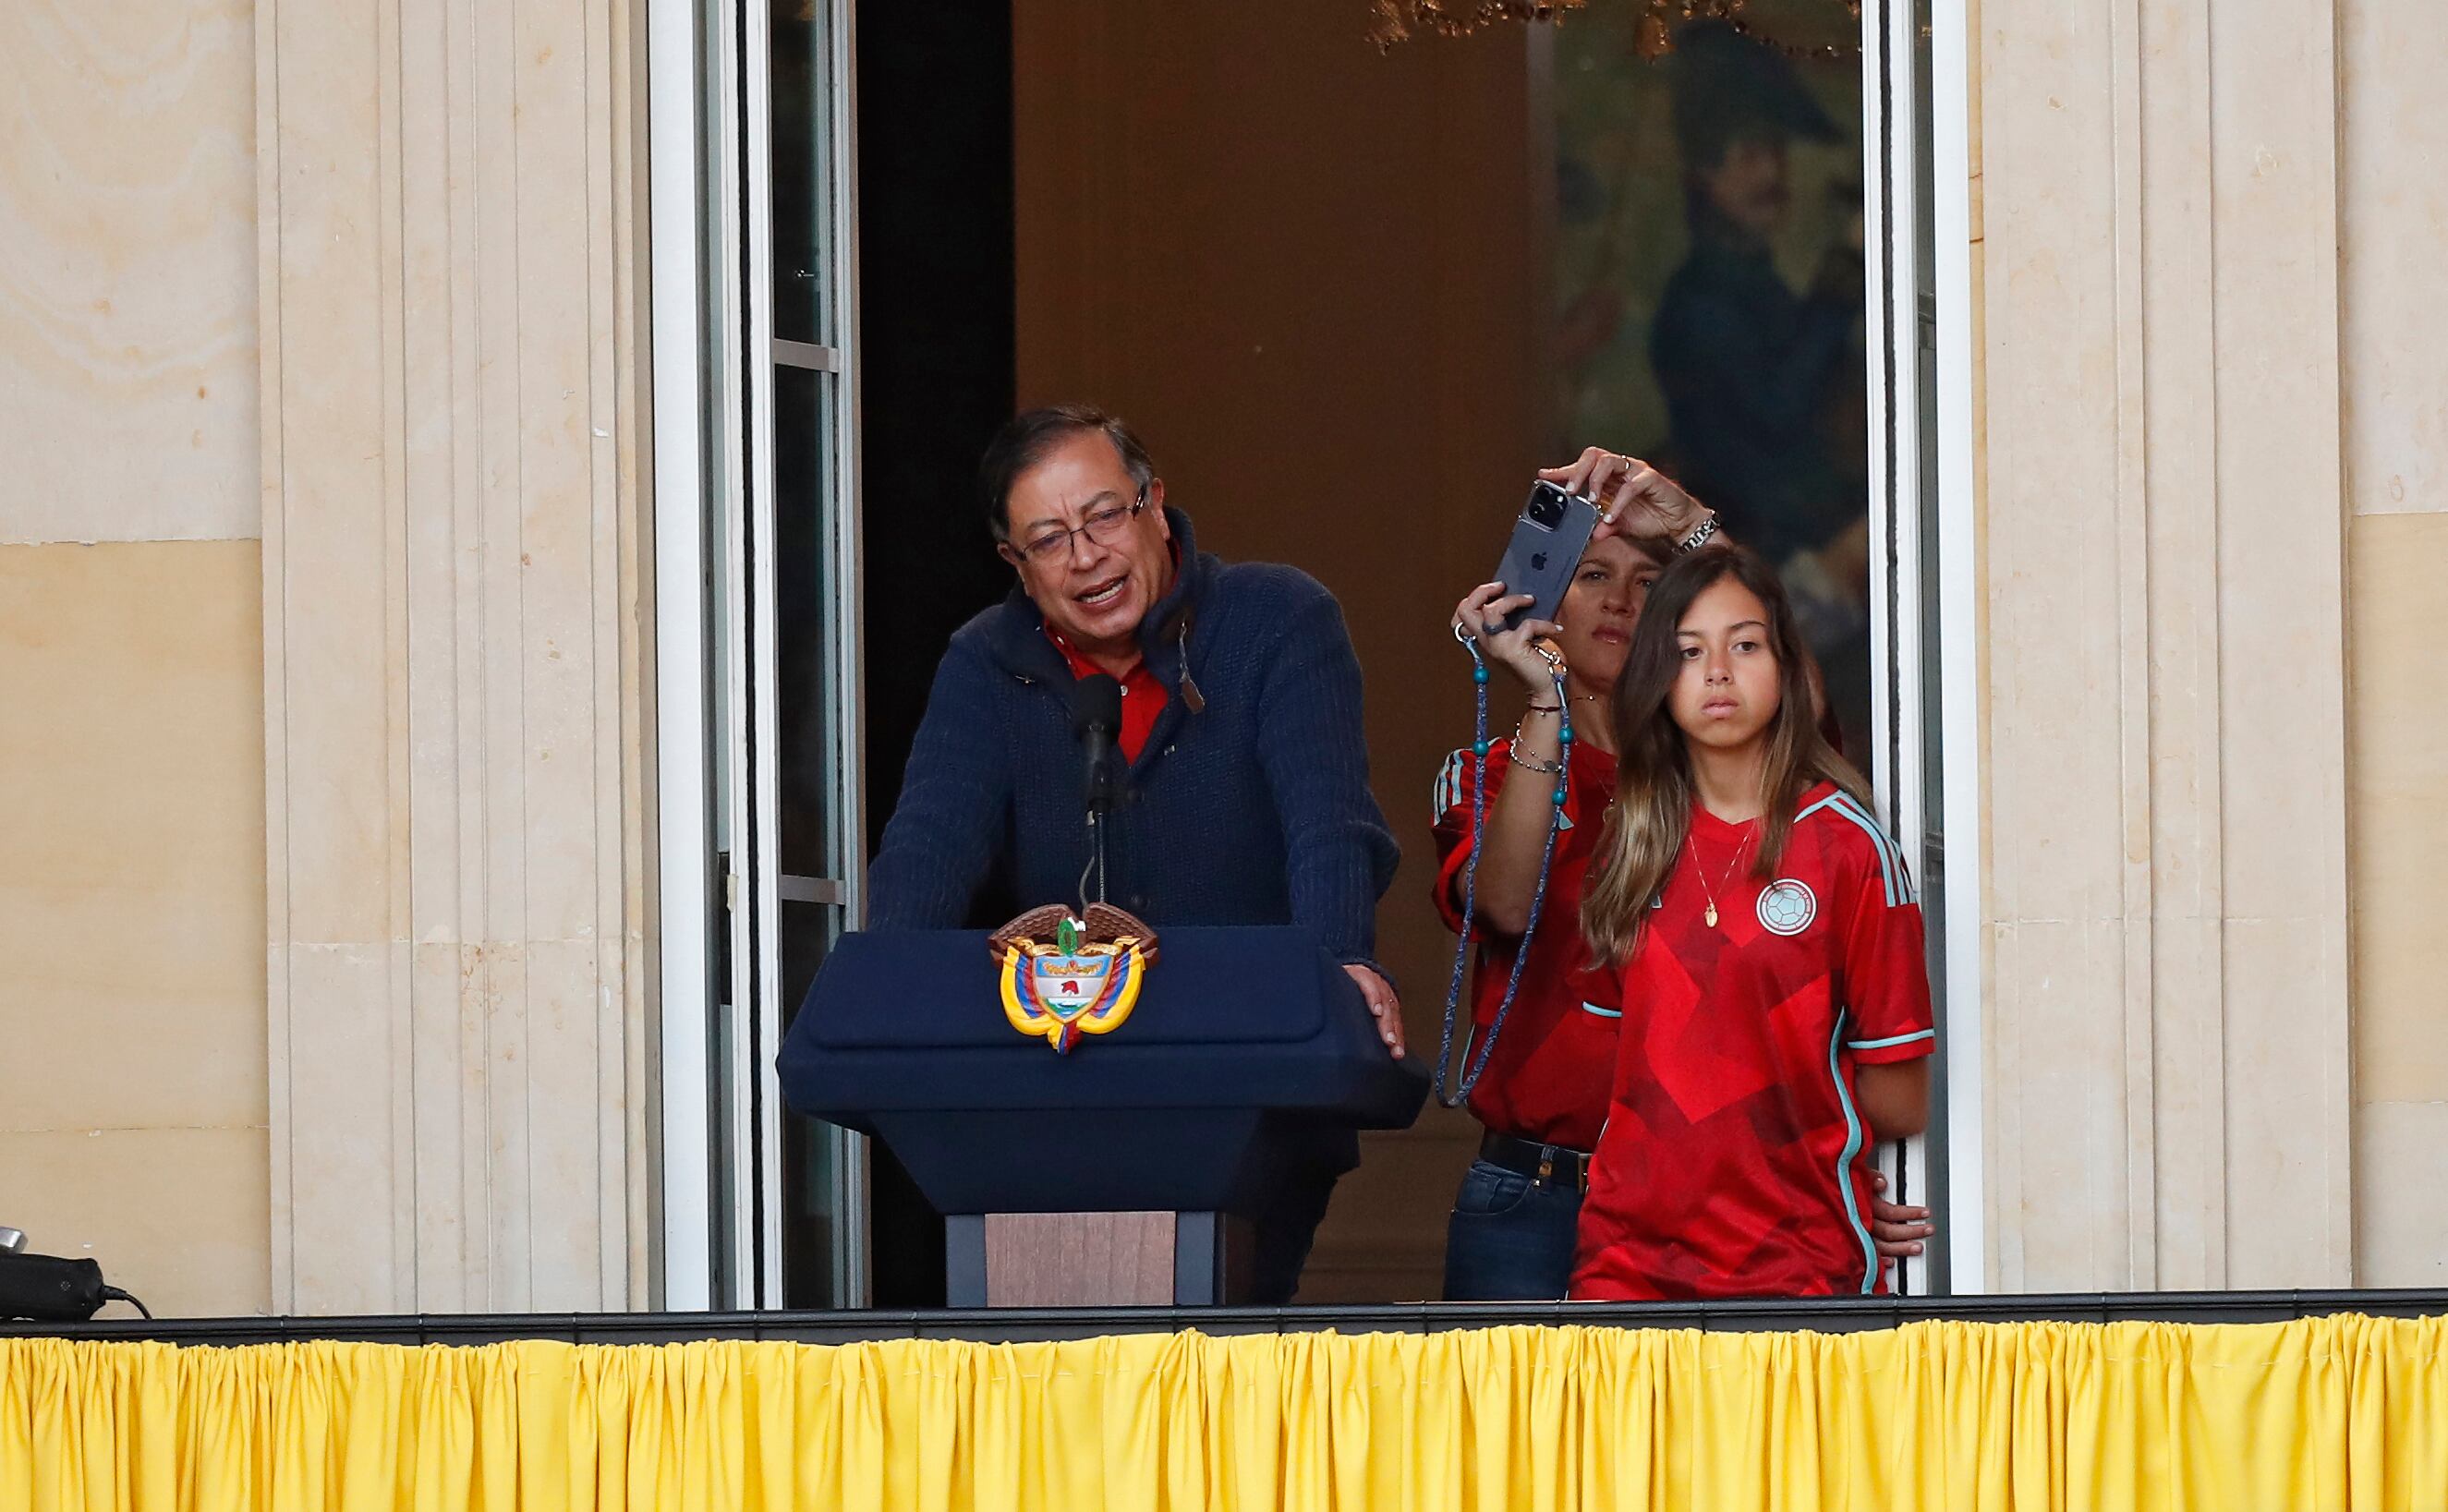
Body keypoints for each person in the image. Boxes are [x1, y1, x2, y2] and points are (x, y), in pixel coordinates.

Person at [865, 404, 1403, 1304]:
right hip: (1044, 1098)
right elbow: (929, 839)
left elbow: (1328, 820)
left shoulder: (1276, 619)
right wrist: (886, 988)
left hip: (1247, 1090)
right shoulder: (984, 662)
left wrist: (1340, 959)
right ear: (1015, 563)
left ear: (1155, 504)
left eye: (1104, 515)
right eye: (1048, 537)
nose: (1086, 555)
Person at [1431, 450, 1930, 1299]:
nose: (1624, 599)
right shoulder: (1491, 767)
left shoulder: (1738, 783)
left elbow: (1784, 696)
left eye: (1650, 580)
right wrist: (1544, 700)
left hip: (1732, 1207)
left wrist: (1824, 1168)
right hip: (1536, 1193)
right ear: (1545, 597)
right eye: (1592, 574)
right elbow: (1504, 906)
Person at [1570, 543, 1933, 1300]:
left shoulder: (1847, 846)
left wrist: (1802, 1138)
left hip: (1797, 1263)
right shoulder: (1630, 846)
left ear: (1787, 667)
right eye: (1689, 651)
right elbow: (1616, 1071)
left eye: (1744, 644)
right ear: (1656, 678)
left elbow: (1900, 1097)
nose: (1718, 672)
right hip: (1627, 1266)